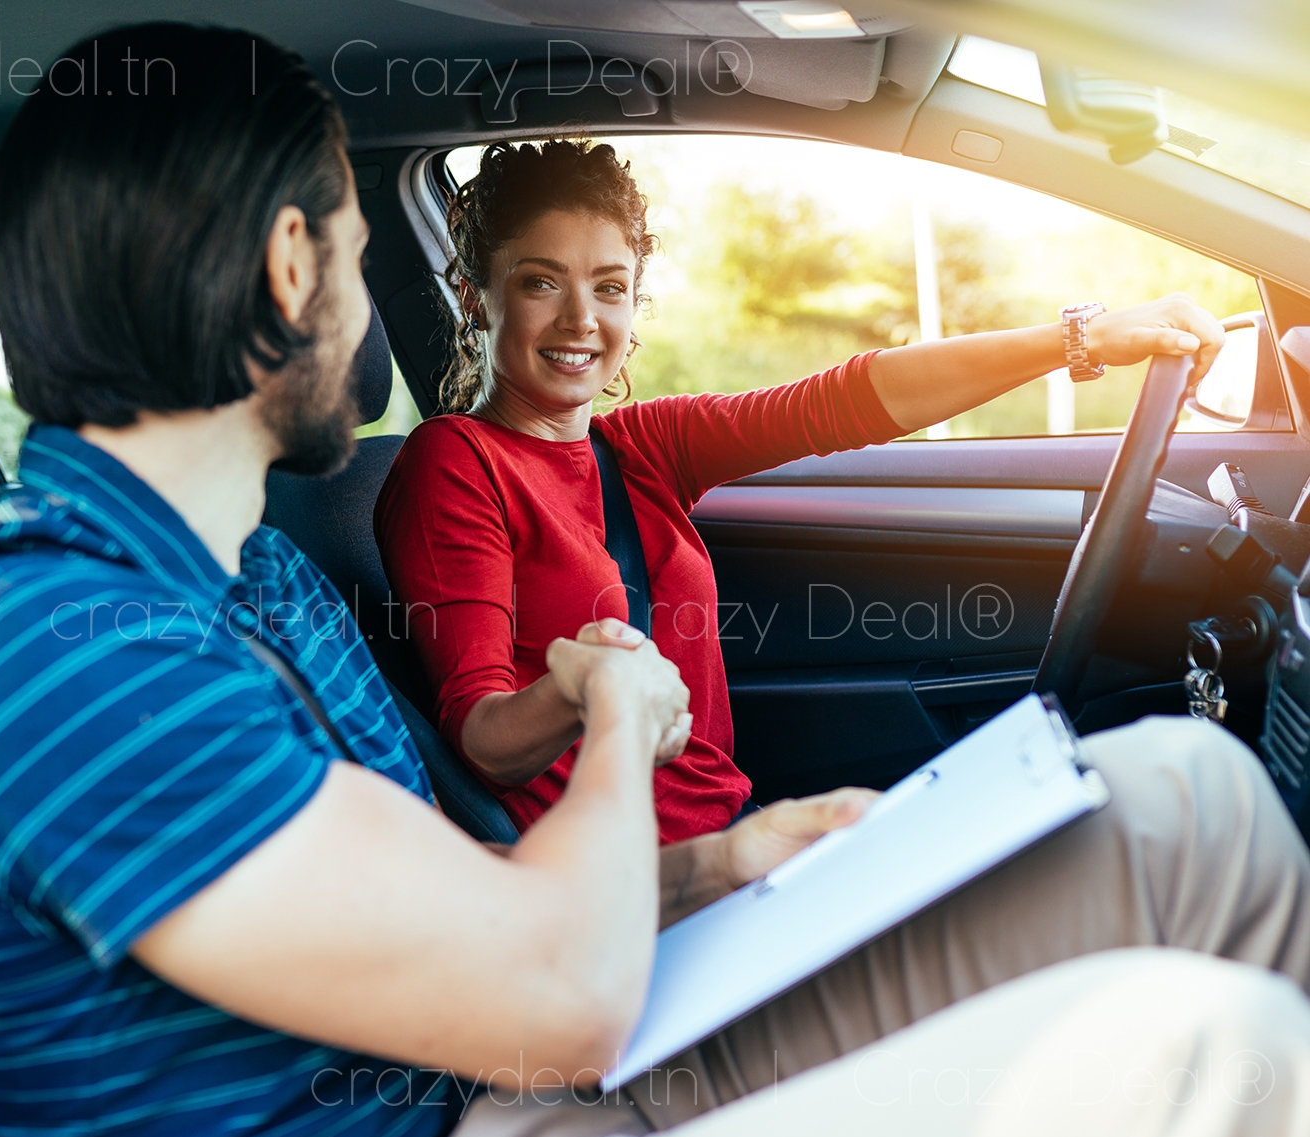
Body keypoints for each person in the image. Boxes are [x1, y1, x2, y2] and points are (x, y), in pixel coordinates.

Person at [0, 22, 1310, 1137]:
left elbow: (456, 899)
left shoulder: (244, 583)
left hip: (533, 1049)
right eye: (369, 259)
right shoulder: (62, 656)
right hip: (503, 1095)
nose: (373, 324)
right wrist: (614, 711)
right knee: (1201, 1043)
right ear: (295, 268)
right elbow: (547, 998)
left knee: (1188, 800)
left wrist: (729, 860)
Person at [374, 139, 1233, 844]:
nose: (580, 320)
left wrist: (1082, 341)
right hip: (641, 899)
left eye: (608, 287)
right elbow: (483, 741)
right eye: (540, 281)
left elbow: (847, 399)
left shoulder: (638, 447)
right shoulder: (456, 463)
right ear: (473, 294)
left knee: (1136, 806)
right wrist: (584, 688)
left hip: (737, 840)